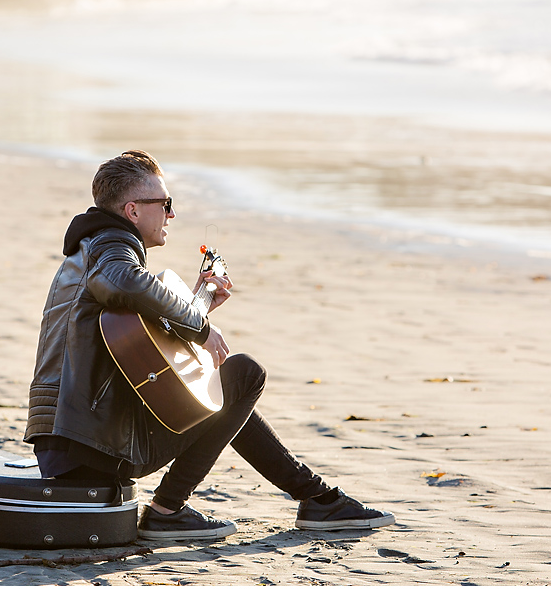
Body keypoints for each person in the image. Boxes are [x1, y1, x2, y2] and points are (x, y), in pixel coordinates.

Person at [24, 150, 395, 540]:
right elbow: (124, 282)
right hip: (94, 444)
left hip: (71, 439)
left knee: (225, 392)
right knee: (245, 374)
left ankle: (318, 499)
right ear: (132, 210)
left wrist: (196, 305)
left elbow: (131, 340)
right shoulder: (114, 246)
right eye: (165, 204)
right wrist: (198, 325)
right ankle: (168, 508)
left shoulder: (90, 248)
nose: (171, 214)